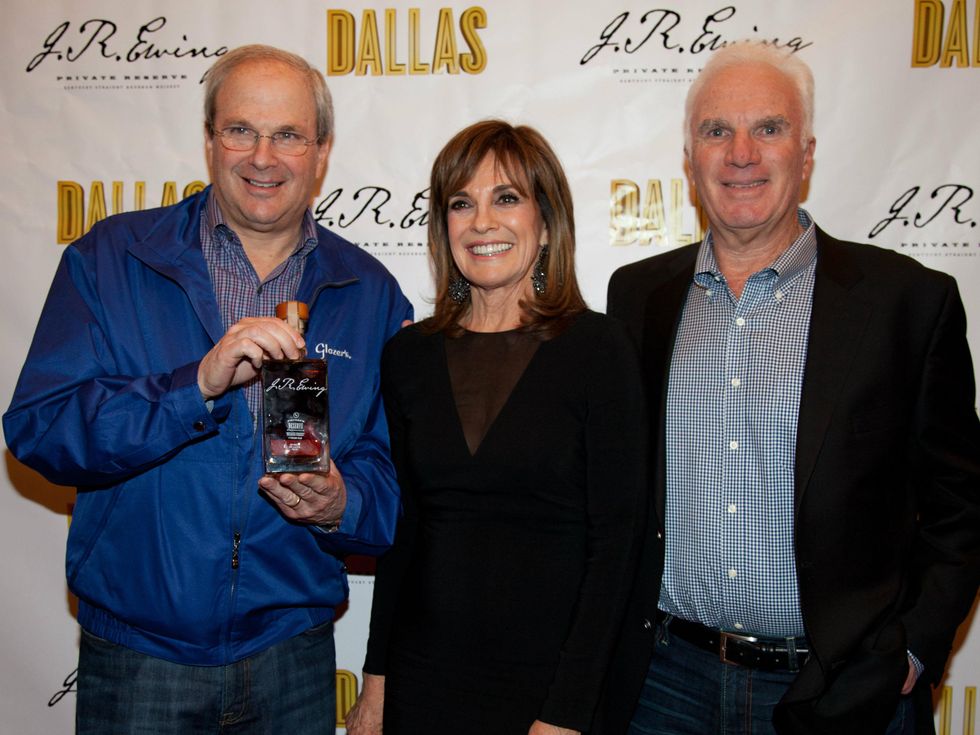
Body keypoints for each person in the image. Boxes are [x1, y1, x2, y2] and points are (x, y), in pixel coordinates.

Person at [3, 44, 411, 734]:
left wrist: (344, 501)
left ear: (321, 151)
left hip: (292, 657)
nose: (263, 157)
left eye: (287, 134)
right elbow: (39, 430)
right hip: (139, 658)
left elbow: (397, 484)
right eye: (240, 130)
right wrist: (192, 386)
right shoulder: (111, 258)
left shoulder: (369, 293)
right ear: (208, 139)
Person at [600, 42, 980, 735]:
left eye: (768, 128)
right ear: (689, 160)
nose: (741, 152)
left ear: (805, 154)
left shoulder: (907, 303)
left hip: (844, 690)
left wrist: (916, 644)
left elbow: (961, 502)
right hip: (665, 686)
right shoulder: (637, 297)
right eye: (717, 130)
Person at [344, 120, 647, 735]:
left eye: (506, 197)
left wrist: (566, 712)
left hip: (547, 687)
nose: (482, 222)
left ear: (545, 217)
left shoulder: (597, 348)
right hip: (423, 678)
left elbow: (617, 548)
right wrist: (376, 680)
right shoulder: (409, 357)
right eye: (462, 203)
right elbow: (406, 535)